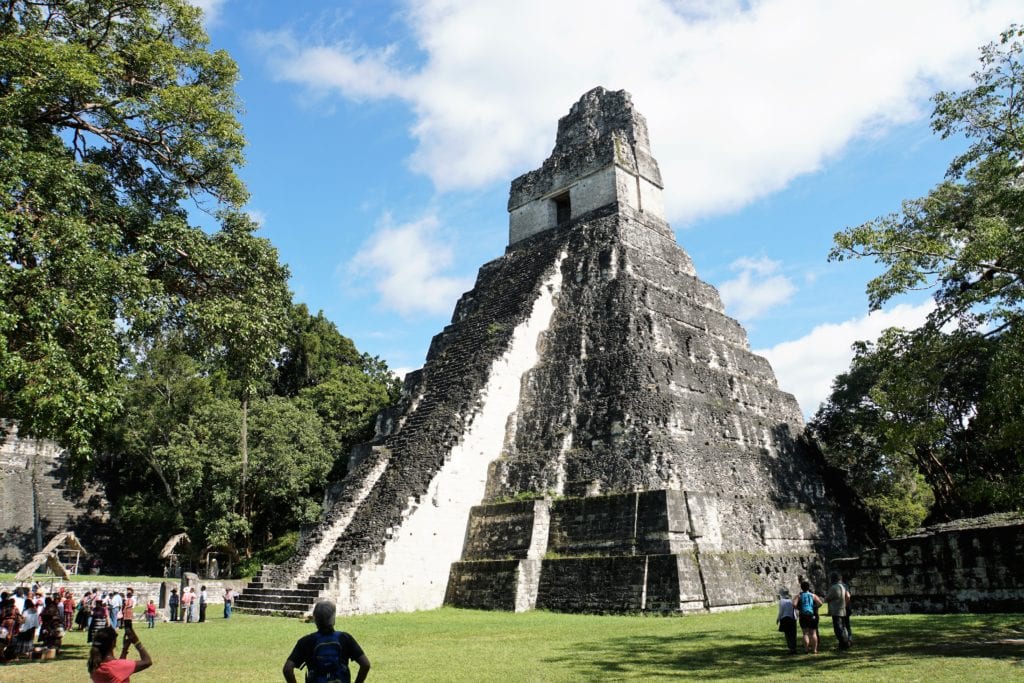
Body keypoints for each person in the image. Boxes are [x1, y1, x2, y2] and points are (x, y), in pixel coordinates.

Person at [283, 601, 370, 683]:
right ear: (333, 619)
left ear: (315, 619)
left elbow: (287, 669)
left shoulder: (306, 641)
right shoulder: (345, 638)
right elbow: (365, 664)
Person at [88, 625, 153, 682]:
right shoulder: (115, 667)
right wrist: (136, 642)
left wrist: (124, 650)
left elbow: (119, 671)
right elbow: (147, 661)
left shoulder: (94, 665)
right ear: (113, 643)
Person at [796, 580, 823, 654]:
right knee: (813, 633)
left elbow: (794, 604)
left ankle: (806, 649)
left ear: (801, 588)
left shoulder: (799, 595)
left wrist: (799, 608)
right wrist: (814, 608)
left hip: (803, 616)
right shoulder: (812, 595)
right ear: (808, 587)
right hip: (812, 616)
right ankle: (814, 650)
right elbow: (820, 603)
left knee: (805, 633)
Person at [825, 573, 851, 650]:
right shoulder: (843, 586)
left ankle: (843, 644)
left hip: (836, 610)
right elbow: (848, 596)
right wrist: (845, 604)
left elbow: (827, 598)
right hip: (842, 609)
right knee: (843, 627)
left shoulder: (834, 588)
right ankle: (846, 642)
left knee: (838, 628)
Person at [776, 588, 797, 654]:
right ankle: (793, 648)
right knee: (793, 634)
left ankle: (790, 648)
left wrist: (778, 619)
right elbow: (795, 611)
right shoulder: (792, 600)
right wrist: (796, 618)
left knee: (787, 635)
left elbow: (781, 612)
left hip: (785, 619)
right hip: (792, 619)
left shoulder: (781, 601)